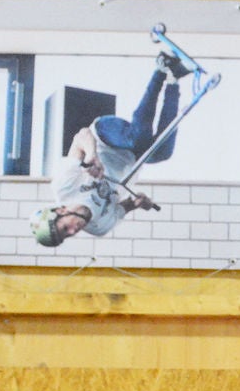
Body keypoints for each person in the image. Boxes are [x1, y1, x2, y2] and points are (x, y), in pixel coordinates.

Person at [30, 53, 190, 246]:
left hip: (105, 135)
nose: (74, 231)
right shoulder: (100, 226)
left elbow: (81, 135)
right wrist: (139, 203)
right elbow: (126, 206)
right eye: (68, 235)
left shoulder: (64, 188)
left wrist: (91, 155)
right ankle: (174, 80)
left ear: (60, 212)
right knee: (162, 152)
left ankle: (161, 69)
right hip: (130, 158)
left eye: (65, 228)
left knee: (137, 138)